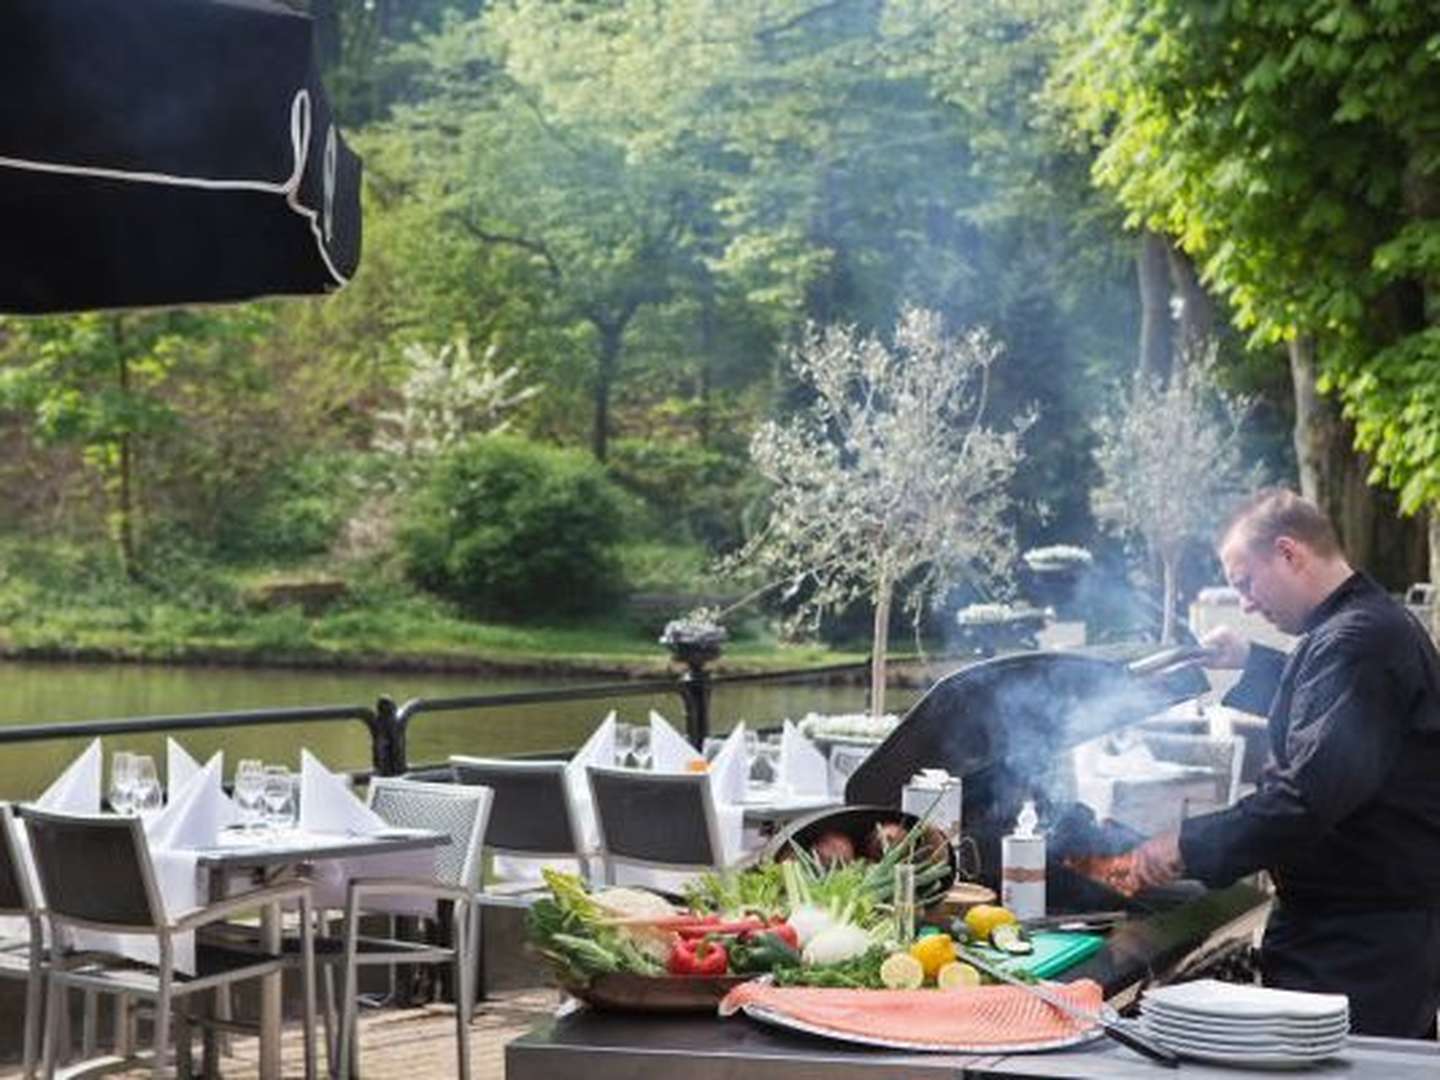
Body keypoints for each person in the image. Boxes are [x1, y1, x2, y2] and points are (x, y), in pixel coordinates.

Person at [1131, 487, 1440, 1038]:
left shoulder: (1357, 641)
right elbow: (1334, 711)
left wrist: (1186, 845)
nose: (1246, 604)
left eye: (1245, 582)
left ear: (1289, 553)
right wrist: (1249, 661)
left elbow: (1307, 796)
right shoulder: (1360, 627)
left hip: (1358, 946)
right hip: (1368, 933)